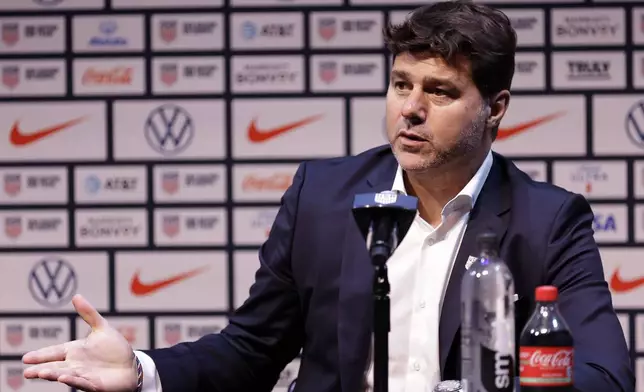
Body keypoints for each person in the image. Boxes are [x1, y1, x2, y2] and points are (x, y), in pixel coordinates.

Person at [21, 1, 634, 391]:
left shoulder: (548, 220)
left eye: (440, 93)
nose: (411, 110)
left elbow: (604, 375)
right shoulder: (321, 194)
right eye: (400, 84)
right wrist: (142, 371)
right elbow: (252, 351)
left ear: (495, 109)